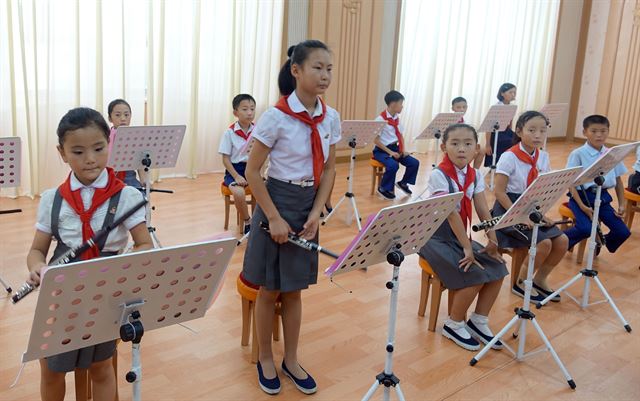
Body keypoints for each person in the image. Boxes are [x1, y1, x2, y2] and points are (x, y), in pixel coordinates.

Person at [25, 107, 153, 401]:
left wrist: (124, 267)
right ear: (62, 152)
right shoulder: (52, 199)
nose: (90, 159)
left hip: (107, 295)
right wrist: (37, 267)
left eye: (98, 148)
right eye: (78, 152)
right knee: (53, 370)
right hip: (63, 295)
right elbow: (36, 250)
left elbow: (145, 244)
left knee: (101, 367)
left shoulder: (127, 196)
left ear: (110, 144)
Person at [242, 40, 340, 396]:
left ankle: (292, 359)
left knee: (295, 289)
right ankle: (265, 358)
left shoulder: (330, 117)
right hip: (277, 200)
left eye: (329, 68)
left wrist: (317, 212)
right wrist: (274, 218)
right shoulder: (276, 116)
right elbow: (253, 173)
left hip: (307, 203)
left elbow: (329, 169)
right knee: (269, 289)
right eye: (317, 67)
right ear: (296, 70)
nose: (325, 75)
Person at [419, 123, 507, 351]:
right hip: (435, 239)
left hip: (460, 237)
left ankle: (479, 320)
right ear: (443, 146)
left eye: (467, 144)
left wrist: (493, 240)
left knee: (498, 268)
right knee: (475, 272)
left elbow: (483, 210)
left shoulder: (475, 175)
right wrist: (468, 248)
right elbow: (451, 215)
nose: (461, 149)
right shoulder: (439, 175)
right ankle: (453, 324)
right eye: (455, 144)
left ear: (476, 148)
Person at [492, 111, 568, 303]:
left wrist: (541, 214)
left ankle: (540, 279)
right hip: (508, 210)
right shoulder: (509, 157)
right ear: (519, 131)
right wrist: (519, 216)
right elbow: (499, 192)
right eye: (532, 130)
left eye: (542, 131)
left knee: (562, 241)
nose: (538, 135)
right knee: (544, 243)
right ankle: (520, 282)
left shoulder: (543, 156)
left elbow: (542, 190)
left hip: (532, 208)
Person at [564, 115, 630, 254]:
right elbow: (570, 183)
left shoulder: (612, 153)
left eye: (603, 131)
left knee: (623, 232)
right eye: (593, 131)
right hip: (581, 197)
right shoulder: (578, 154)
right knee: (585, 229)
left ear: (608, 131)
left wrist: (622, 204)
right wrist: (582, 206)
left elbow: (618, 181)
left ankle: (600, 241)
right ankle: (560, 242)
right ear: (585, 132)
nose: (599, 135)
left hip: (603, 198)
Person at [372, 90, 420, 200]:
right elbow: (376, 141)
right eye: (401, 104)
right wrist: (390, 153)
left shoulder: (396, 119)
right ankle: (383, 188)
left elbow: (401, 136)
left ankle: (403, 183)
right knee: (393, 165)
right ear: (393, 104)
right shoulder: (380, 120)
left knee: (414, 163)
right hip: (382, 150)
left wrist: (403, 150)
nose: (402, 107)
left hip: (396, 149)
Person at [219, 93, 256, 234]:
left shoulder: (258, 131)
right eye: (245, 109)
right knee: (239, 193)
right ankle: (248, 222)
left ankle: (260, 221)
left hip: (252, 170)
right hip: (235, 171)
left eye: (252, 109)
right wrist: (236, 176)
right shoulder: (229, 133)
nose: (250, 113)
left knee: (268, 190)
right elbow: (225, 159)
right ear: (235, 112)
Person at [107, 99, 144, 187]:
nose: (123, 118)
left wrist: (143, 179)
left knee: (140, 196)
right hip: (109, 176)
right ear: (110, 118)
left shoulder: (134, 137)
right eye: (118, 115)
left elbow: (140, 161)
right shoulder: (105, 136)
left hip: (129, 176)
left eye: (126, 115)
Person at [484, 83, 517, 169]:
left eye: (514, 92)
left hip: (506, 131)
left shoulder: (512, 107)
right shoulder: (496, 107)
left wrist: (512, 134)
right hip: (496, 133)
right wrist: (487, 145)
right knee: (508, 141)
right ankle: (499, 164)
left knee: (518, 139)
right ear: (502, 93)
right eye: (510, 92)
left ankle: (512, 164)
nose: (513, 94)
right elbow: (488, 127)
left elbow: (510, 123)